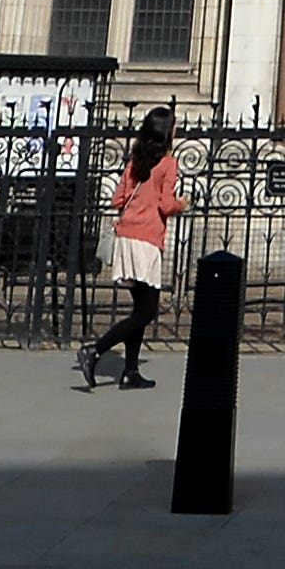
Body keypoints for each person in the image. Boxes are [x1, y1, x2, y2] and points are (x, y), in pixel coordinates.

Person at [82, 105, 182, 389]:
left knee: (140, 306)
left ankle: (130, 371)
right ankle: (96, 349)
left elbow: (118, 199)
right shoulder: (167, 163)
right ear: (166, 132)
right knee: (147, 311)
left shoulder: (136, 161)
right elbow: (166, 204)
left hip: (127, 238)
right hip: (147, 240)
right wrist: (181, 204)